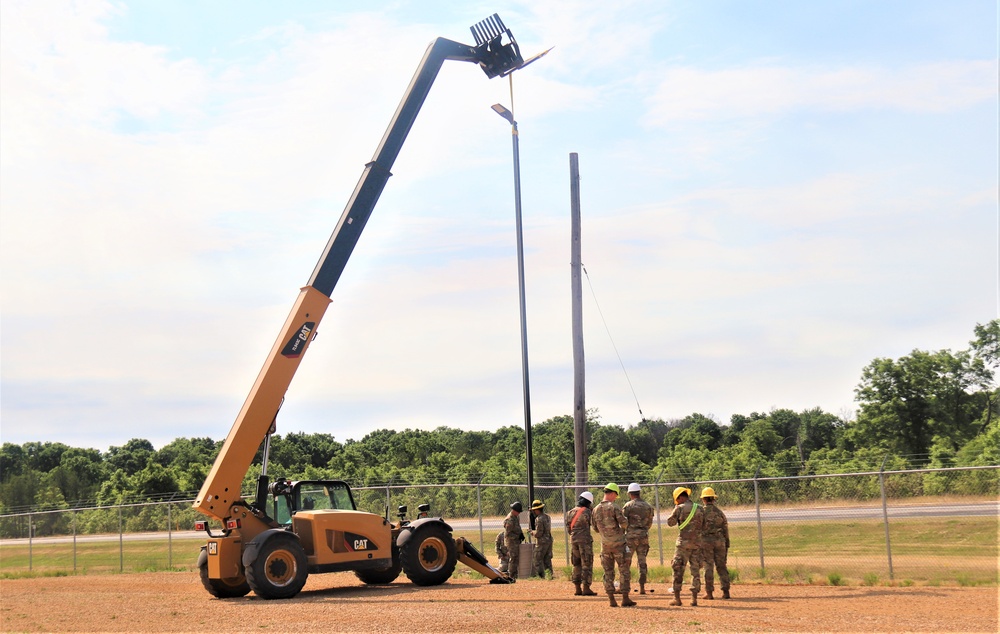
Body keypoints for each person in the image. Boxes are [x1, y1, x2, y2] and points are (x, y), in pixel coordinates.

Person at [592, 483, 635, 607]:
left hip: (605, 545)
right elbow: (624, 523)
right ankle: (625, 598)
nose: (616, 498)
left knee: (608, 572)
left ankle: (611, 599)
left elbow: (595, 528)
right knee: (624, 570)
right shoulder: (614, 507)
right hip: (619, 544)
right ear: (611, 493)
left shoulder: (595, 509)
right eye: (616, 495)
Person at [666, 486, 704, 606]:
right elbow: (705, 525)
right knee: (695, 570)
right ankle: (694, 599)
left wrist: (675, 509)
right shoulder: (700, 508)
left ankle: (677, 598)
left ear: (680, 498)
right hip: (697, 544)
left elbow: (670, 523)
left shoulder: (680, 508)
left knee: (677, 569)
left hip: (683, 544)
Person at [699, 487, 731, 600]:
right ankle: (726, 591)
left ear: (703, 499)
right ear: (713, 499)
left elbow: (697, 529)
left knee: (708, 566)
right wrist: (727, 543)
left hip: (706, 542)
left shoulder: (701, 512)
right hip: (720, 542)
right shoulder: (720, 512)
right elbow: (725, 529)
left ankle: (709, 592)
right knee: (721, 566)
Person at [622, 482, 654, 594]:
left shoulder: (628, 506)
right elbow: (649, 523)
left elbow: (623, 522)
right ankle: (642, 587)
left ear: (630, 494)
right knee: (642, 562)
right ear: (639, 492)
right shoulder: (648, 506)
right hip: (643, 537)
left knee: (626, 562)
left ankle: (625, 586)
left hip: (630, 537)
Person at [566, 491, 597, 596]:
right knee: (587, 563)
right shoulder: (587, 512)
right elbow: (594, 525)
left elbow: (568, 529)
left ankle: (577, 588)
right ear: (589, 502)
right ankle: (586, 588)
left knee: (576, 564)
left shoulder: (570, 512)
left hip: (573, 540)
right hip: (585, 541)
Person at [529, 500, 553, 578]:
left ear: (537, 510)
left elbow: (539, 533)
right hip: (549, 540)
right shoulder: (547, 517)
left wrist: (532, 533)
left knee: (537, 559)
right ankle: (549, 575)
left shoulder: (539, 519)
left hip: (542, 542)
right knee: (547, 559)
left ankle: (541, 576)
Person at [503, 501, 525, 580]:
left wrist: (521, 534)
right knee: (513, 558)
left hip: (516, 542)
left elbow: (517, 528)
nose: (519, 513)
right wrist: (517, 537)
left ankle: (515, 575)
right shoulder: (510, 519)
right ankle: (511, 575)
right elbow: (508, 534)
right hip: (511, 542)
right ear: (514, 510)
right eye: (518, 512)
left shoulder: (515, 517)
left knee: (516, 558)